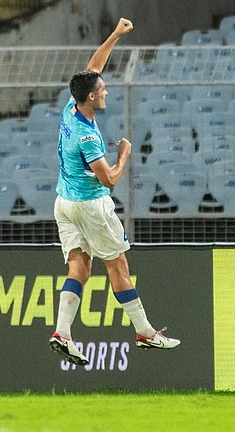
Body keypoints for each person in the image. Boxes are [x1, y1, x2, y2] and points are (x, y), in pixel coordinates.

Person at [49, 17, 180, 365]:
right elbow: (108, 179)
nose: (107, 91)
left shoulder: (71, 107)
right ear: (91, 97)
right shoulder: (88, 137)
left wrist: (116, 35)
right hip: (90, 206)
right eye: (103, 89)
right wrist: (123, 155)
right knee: (117, 265)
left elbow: (93, 67)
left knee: (78, 267)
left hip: (64, 203)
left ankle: (62, 333)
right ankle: (145, 333)